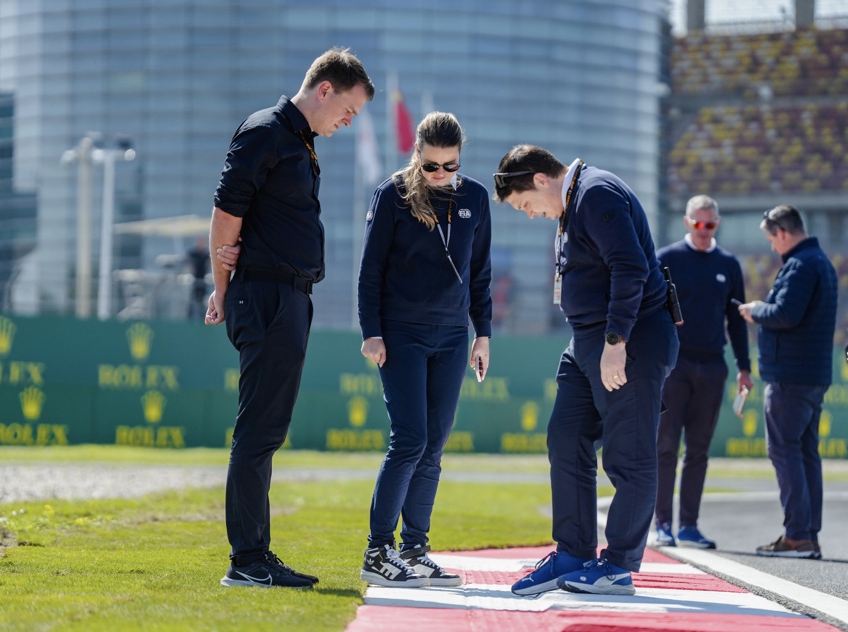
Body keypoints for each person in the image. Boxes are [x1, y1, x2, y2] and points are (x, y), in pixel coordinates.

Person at [205, 47, 375, 589]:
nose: (348, 122)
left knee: (267, 431)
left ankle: (255, 555)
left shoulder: (299, 142)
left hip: (287, 297)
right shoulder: (266, 131)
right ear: (324, 89)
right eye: (347, 110)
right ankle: (248, 561)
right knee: (257, 431)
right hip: (268, 297)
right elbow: (226, 211)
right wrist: (222, 286)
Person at [493, 145, 678, 596]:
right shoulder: (572, 205)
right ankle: (574, 552)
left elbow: (629, 266)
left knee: (628, 454)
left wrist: (616, 341)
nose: (531, 214)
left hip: (628, 339)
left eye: (525, 205)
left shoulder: (595, 193)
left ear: (539, 179)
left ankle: (617, 565)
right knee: (566, 435)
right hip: (586, 343)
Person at [358, 112, 492, 588]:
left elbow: (481, 274)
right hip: (401, 333)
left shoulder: (475, 196)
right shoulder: (392, 194)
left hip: (454, 336)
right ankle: (378, 551)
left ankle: (415, 549)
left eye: (449, 166)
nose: (440, 175)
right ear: (417, 153)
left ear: (460, 158)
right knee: (410, 439)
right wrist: (371, 330)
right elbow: (370, 268)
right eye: (431, 165)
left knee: (434, 445)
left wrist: (484, 333)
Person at [653, 195, 753, 549]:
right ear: (686, 222)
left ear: (717, 224)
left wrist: (744, 367)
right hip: (673, 365)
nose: (703, 230)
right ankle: (662, 524)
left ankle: (689, 526)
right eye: (697, 224)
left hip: (712, 366)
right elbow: (651, 311)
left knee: (698, 449)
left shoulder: (729, 264)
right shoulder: (666, 258)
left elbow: (737, 323)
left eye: (709, 224)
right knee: (665, 445)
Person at [737, 204, 837, 559]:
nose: (771, 247)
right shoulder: (818, 261)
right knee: (805, 454)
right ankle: (806, 534)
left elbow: (785, 314)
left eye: (770, 239)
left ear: (781, 231)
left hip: (791, 376)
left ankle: (797, 536)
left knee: (784, 450)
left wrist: (755, 310)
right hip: (811, 374)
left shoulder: (800, 264)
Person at [186, 237, 209, 320]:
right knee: (192, 300)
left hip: (203, 280)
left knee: (202, 301)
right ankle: (190, 317)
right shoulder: (193, 253)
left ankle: (202, 317)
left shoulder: (206, 254)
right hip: (194, 280)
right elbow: (187, 258)